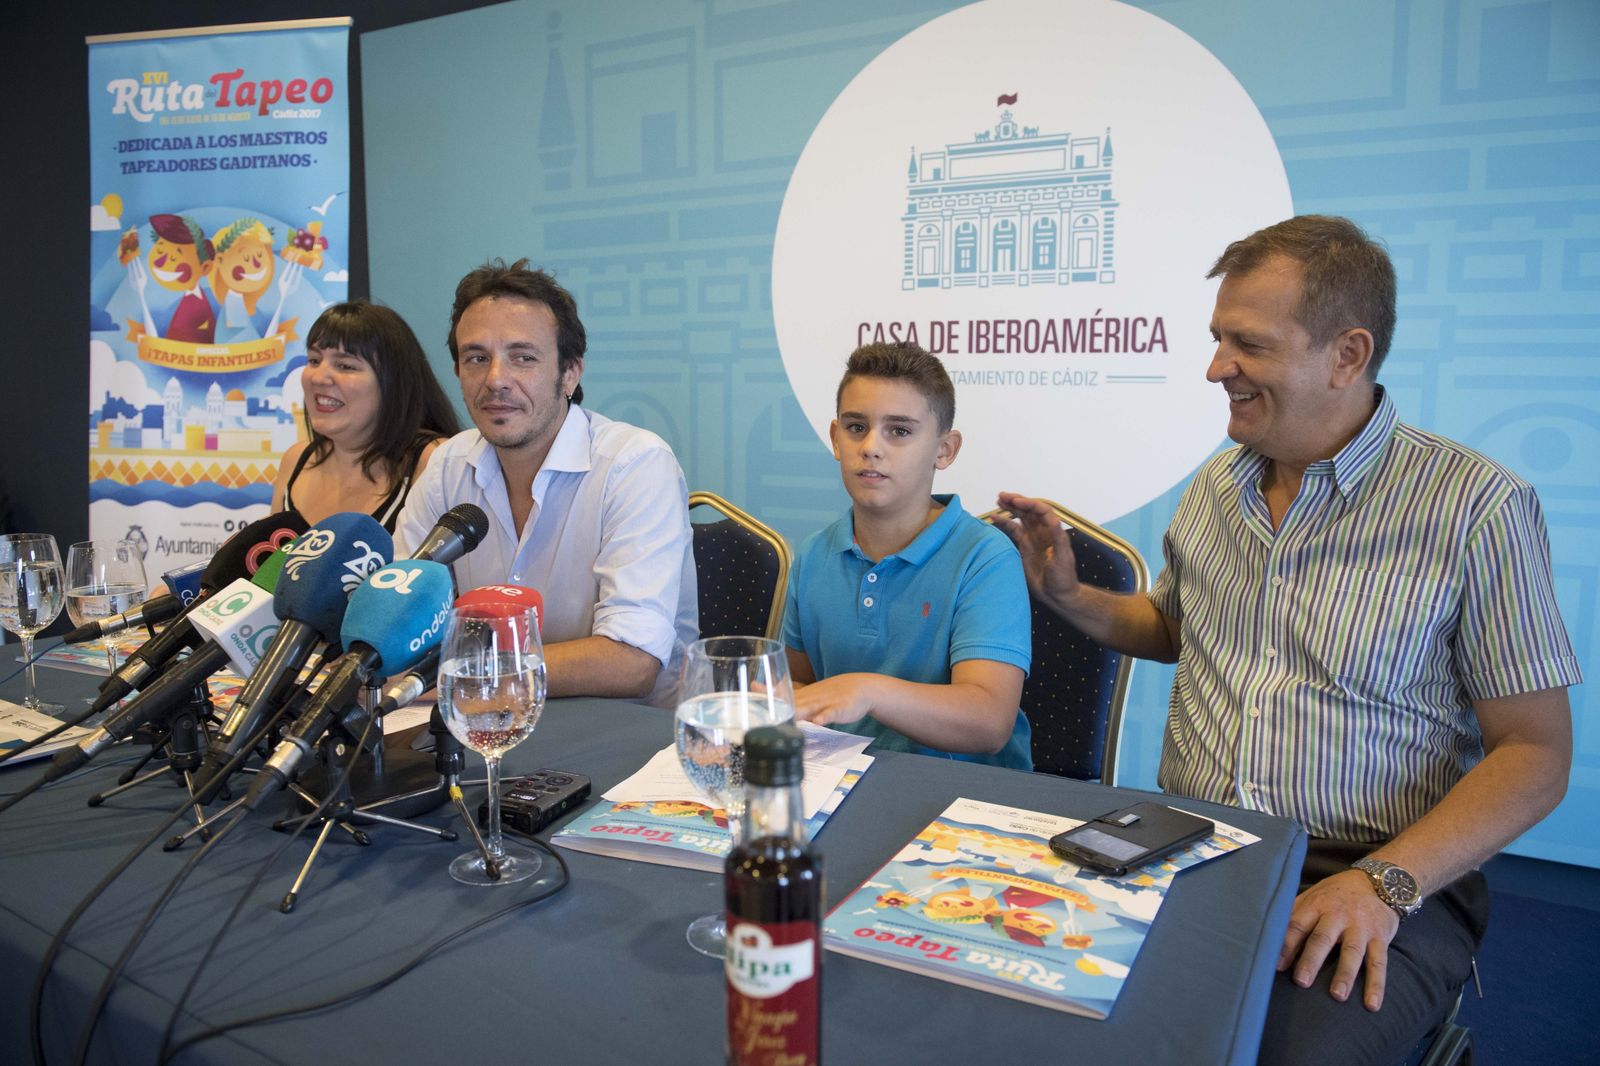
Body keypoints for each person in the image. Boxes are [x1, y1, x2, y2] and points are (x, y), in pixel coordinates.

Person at [999, 215, 1580, 1064]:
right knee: (1023, 997)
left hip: (1373, 870)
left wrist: (1383, 884)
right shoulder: (1216, 487)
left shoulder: (1476, 507)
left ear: (1347, 355)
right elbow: (1172, 630)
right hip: (1192, 843)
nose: (1215, 368)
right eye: (1217, 339)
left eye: (1248, 344)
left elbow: (1534, 755)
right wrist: (1072, 597)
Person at [394, 259, 697, 708]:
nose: (495, 380)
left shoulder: (633, 464)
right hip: (485, 725)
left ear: (571, 373)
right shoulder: (447, 466)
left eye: (523, 357)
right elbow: (398, 616)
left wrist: (472, 673)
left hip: (628, 738)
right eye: (476, 358)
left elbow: (632, 661)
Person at [785, 342, 1032, 768]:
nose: (871, 447)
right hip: (837, 780)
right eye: (856, 427)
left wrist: (866, 691)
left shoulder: (985, 558)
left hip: (961, 796)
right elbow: (799, 684)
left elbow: (989, 722)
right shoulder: (813, 554)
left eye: (899, 430)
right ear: (835, 439)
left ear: (944, 449)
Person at [271, 300, 459, 532]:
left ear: (392, 381)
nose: (318, 377)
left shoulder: (435, 461)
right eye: (314, 360)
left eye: (345, 366)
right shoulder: (295, 459)